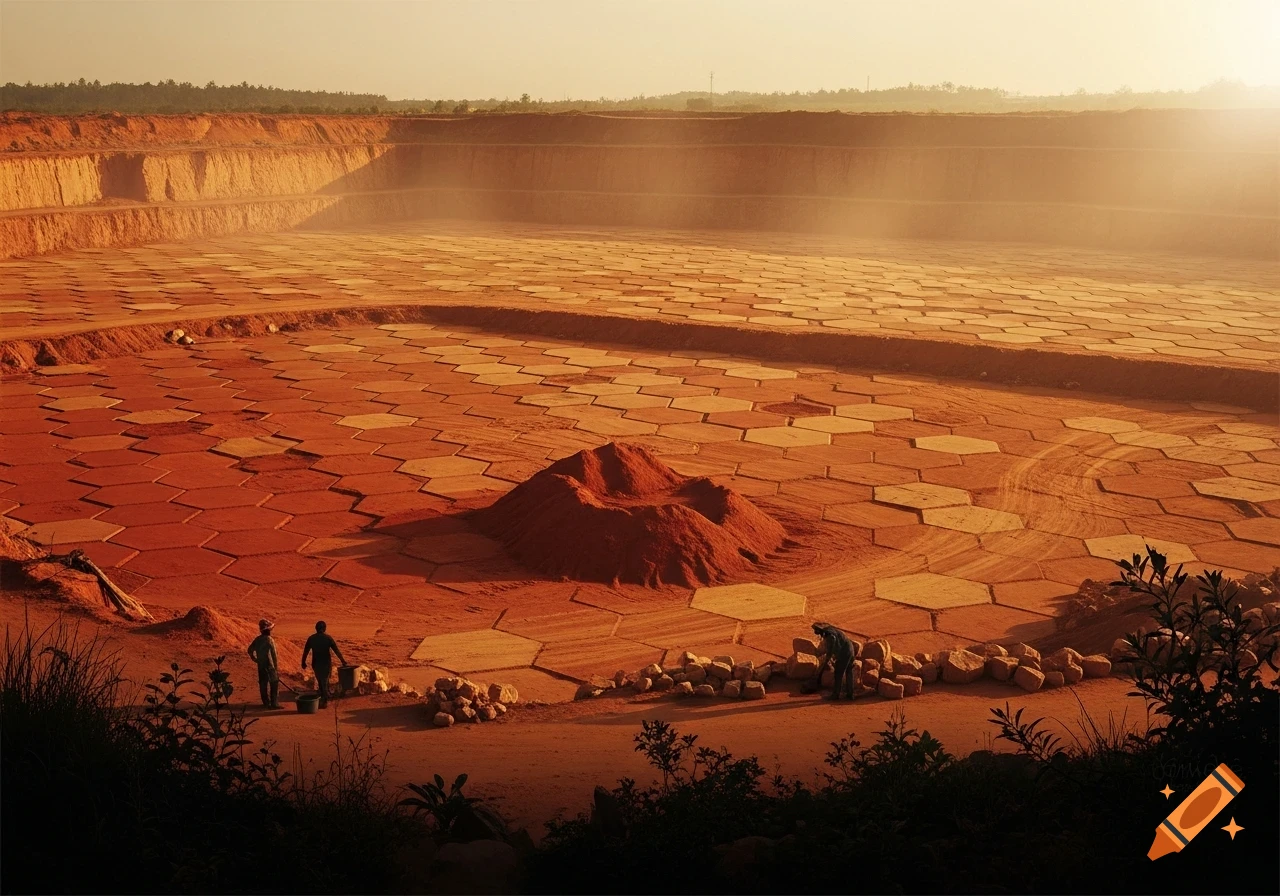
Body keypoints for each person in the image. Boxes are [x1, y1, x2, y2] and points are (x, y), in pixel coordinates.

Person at [302, 621, 346, 709]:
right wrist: (343, 661)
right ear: (324, 628)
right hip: (326, 664)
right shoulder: (328, 638)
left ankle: (323, 696)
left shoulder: (311, 638)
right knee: (325, 682)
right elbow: (336, 650)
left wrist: (303, 662)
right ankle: (324, 701)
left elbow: (306, 651)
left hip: (316, 664)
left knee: (321, 682)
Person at [812, 622, 859, 701]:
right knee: (849, 671)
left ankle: (836, 694)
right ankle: (850, 694)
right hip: (850, 649)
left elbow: (833, 646)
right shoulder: (830, 629)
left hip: (845, 652)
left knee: (838, 674)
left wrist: (829, 657)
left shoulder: (830, 635)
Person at [248, 618, 282, 709]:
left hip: (261, 665)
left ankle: (265, 703)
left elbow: (250, 650)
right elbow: (274, 655)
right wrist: (276, 668)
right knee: (274, 683)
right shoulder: (269, 639)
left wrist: (255, 659)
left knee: (263, 683)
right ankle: (274, 703)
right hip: (270, 665)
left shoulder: (258, 639)